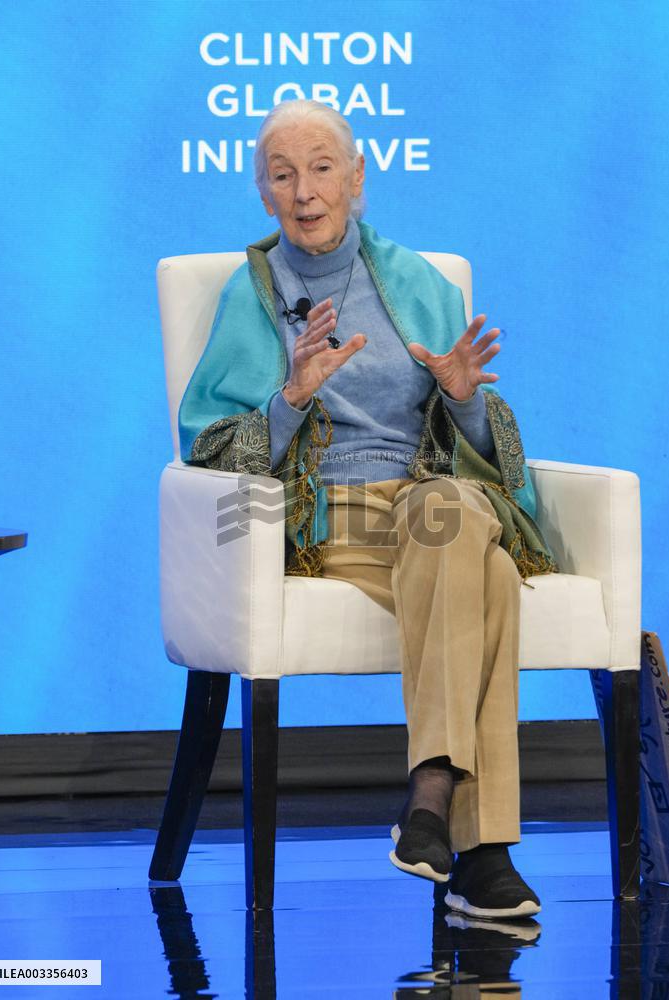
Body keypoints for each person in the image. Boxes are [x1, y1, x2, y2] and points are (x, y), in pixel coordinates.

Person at [178, 99, 558, 921]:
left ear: (356, 179)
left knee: (451, 512)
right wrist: (289, 399)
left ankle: (431, 801)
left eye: (321, 169)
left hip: (429, 496)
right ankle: (479, 853)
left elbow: (487, 443)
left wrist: (459, 399)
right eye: (283, 175)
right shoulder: (252, 295)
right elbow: (204, 442)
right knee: (482, 568)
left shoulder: (418, 281)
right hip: (331, 516)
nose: (304, 191)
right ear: (262, 192)